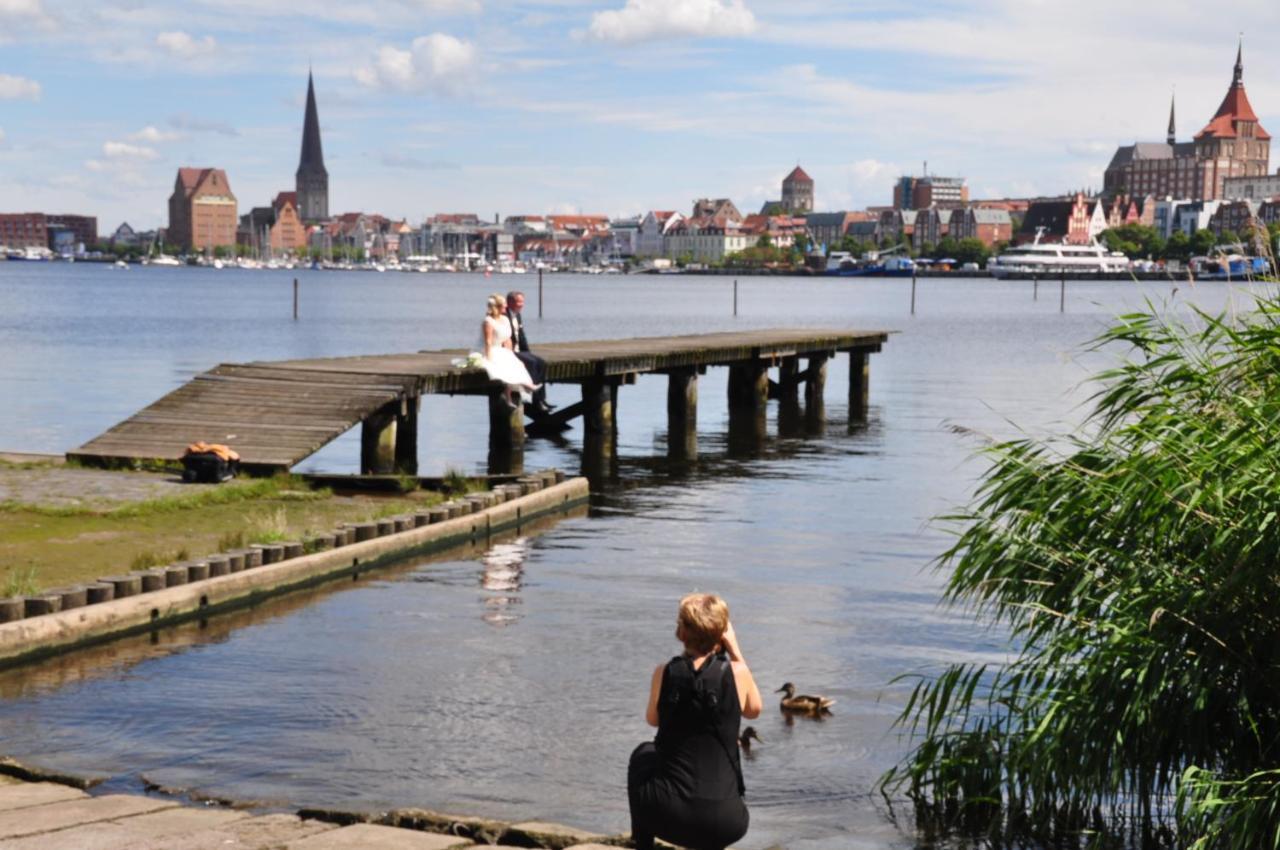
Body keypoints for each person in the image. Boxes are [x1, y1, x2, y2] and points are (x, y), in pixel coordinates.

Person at [628, 593, 762, 850]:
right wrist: (735, 651)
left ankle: (642, 844)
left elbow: (652, 719)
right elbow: (754, 710)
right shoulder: (738, 674)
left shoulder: (664, 672)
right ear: (722, 632)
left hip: (669, 818)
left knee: (642, 754)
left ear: (681, 632)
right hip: (728, 823)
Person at [479, 293, 536, 409]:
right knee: (502, 366)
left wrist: (512, 356)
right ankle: (520, 389)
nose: (506, 307)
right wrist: (489, 358)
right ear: (497, 307)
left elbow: (508, 340)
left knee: (517, 363)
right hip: (489, 350)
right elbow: (488, 342)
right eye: (504, 305)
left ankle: (522, 388)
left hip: (501, 349)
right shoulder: (488, 321)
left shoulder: (504, 319)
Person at [505, 291, 553, 414]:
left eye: (522, 302)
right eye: (519, 302)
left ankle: (542, 399)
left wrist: (528, 352)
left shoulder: (518, 315)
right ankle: (536, 401)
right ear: (510, 302)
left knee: (541, 362)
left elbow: (521, 336)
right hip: (508, 351)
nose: (522, 304)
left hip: (518, 350)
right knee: (531, 363)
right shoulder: (504, 315)